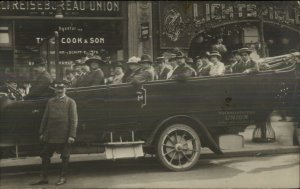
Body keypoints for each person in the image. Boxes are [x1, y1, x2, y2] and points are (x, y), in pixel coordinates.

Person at [30, 80, 78, 186]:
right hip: (50, 134)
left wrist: (72, 135)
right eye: (57, 89)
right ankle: (44, 178)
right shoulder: (50, 101)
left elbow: (74, 120)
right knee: (45, 155)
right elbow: (45, 118)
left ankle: (63, 177)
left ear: (66, 89)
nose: (59, 91)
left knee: (65, 156)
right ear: (54, 90)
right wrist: (42, 132)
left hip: (64, 135)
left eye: (62, 88)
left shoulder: (71, 102)